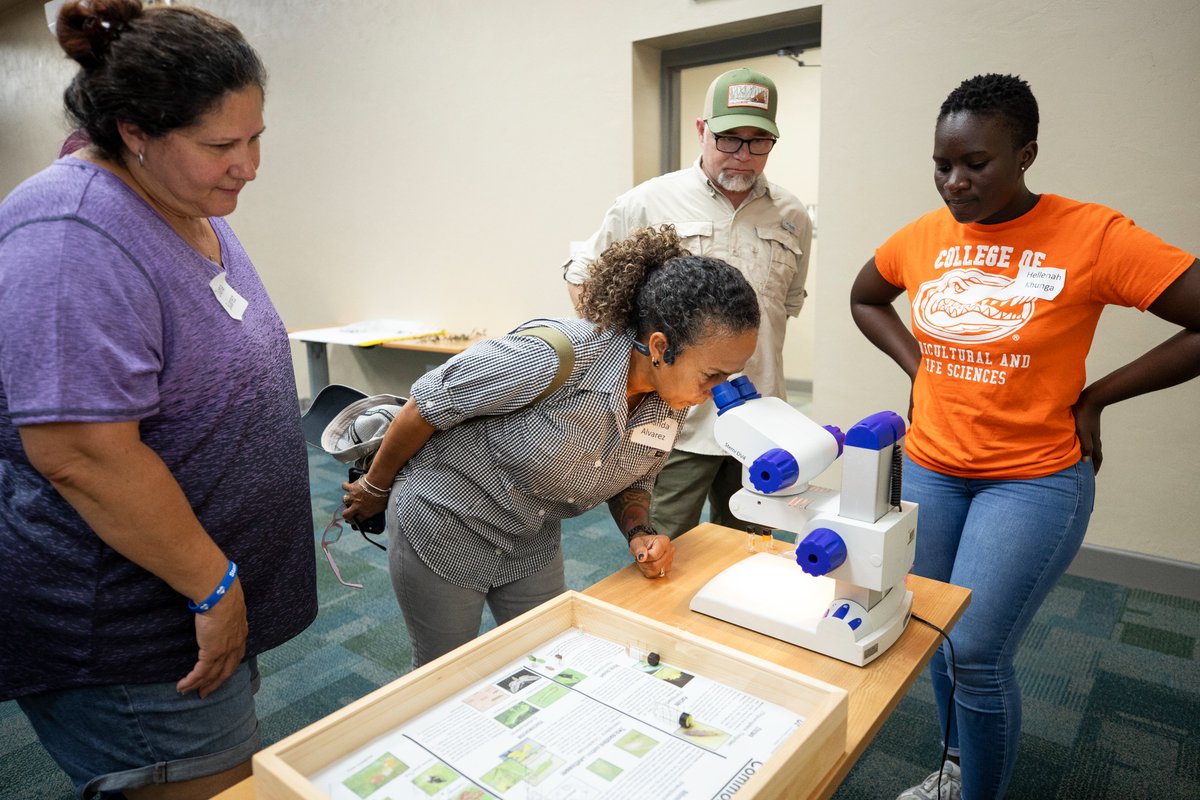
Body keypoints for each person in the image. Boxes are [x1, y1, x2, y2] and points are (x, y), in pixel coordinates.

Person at [850, 73, 1199, 800]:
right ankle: (954, 771)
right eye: (942, 165)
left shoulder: (1093, 235)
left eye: (975, 164)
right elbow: (866, 296)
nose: (954, 182)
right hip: (933, 468)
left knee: (977, 649)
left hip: (1034, 479)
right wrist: (920, 368)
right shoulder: (925, 236)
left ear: (1026, 153)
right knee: (936, 634)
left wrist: (1097, 396)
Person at [0, 2, 318, 798]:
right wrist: (212, 585)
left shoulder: (188, 202)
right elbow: (79, 454)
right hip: (132, 636)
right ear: (135, 130)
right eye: (221, 145)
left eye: (255, 139)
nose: (248, 165)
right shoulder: (71, 233)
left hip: (202, 601)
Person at [343, 226, 760, 667]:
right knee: (447, 671)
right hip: (447, 521)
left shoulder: (672, 397)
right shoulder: (554, 356)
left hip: (531, 532)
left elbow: (636, 477)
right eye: (713, 374)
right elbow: (424, 406)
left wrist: (640, 532)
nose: (719, 390)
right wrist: (374, 488)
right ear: (661, 347)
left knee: (550, 660)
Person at [563, 67, 813, 539]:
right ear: (702, 131)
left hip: (759, 419)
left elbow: (787, 306)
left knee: (750, 546)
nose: (743, 156)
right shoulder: (647, 202)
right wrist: (619, 366)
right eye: (728, 140)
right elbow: (582, 276)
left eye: (758, 142)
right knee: (660, 541)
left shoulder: (792, 215)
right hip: (673, 421)